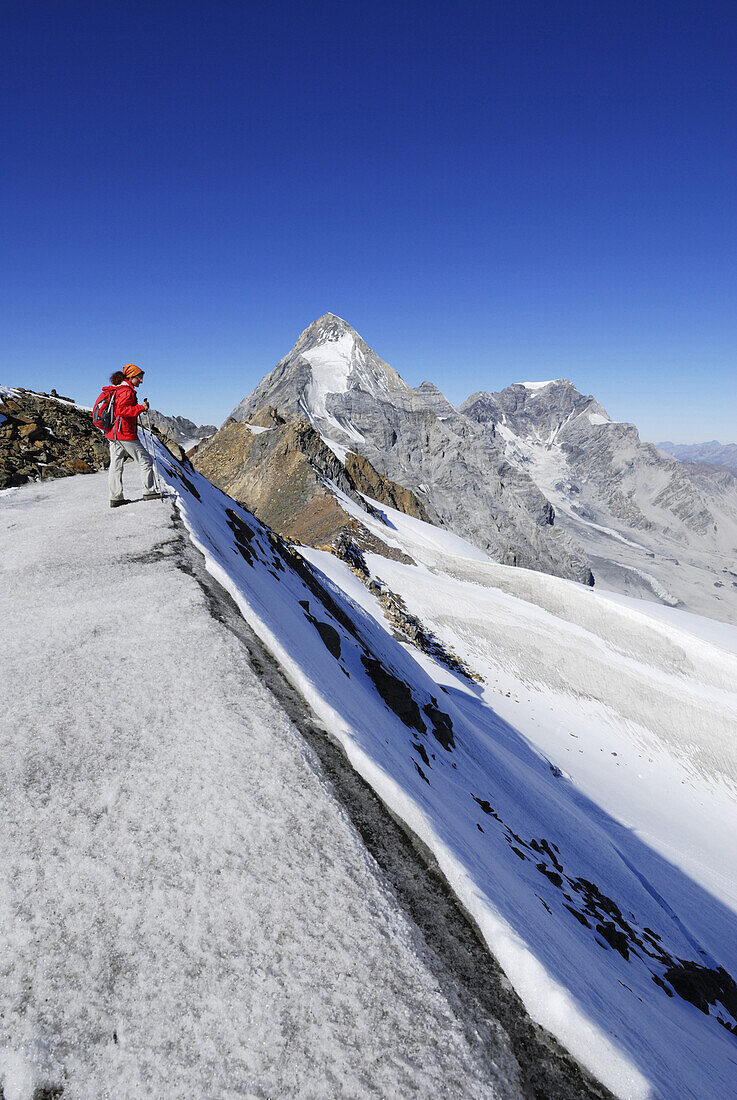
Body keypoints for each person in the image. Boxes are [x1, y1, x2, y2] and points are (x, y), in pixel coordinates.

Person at [107, 363, 163, 507]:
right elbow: (122, 411)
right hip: (124, 432)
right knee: (146, 460)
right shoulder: (126, 391)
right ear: (131, 377)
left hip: (113, 432)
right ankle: (149, 491)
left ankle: (116, 497)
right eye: (139, 378)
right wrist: (140, 408)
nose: (141, 381)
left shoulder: (118, 389)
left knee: (116, 464)